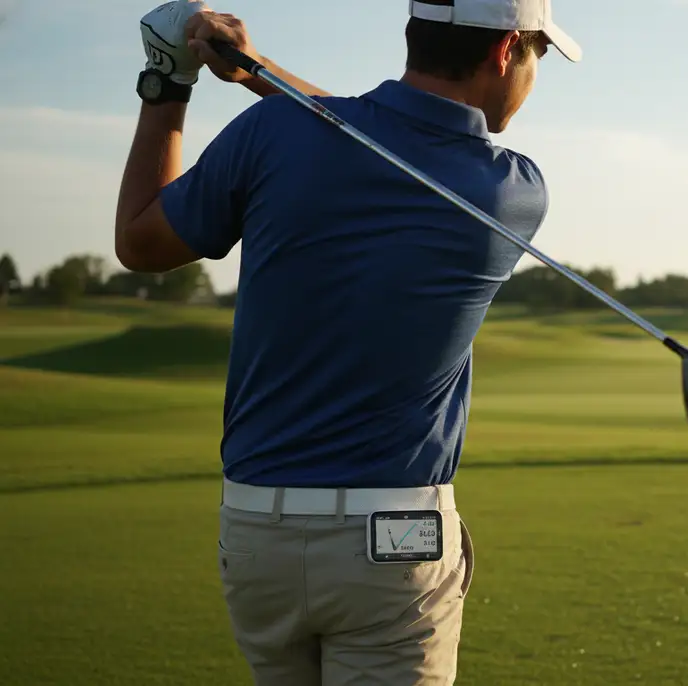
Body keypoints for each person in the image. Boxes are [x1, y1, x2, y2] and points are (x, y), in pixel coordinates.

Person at [115, 1, 581, 684]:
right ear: (505, 50)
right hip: (392, 546)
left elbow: (140, 240)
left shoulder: (270, 133)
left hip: (255, 536)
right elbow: (374, 138)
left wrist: (170, 79)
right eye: (538, 55)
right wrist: (255, 71)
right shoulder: (512, 190)